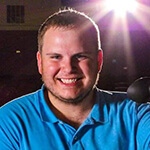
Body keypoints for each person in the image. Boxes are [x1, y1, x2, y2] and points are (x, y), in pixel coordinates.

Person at [0, 8, 150, 150]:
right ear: (40, 62)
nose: (68, 68)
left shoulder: (136, 113)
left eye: (80, 56)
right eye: (56, 57)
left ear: (99, 60)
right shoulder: (9, 121)